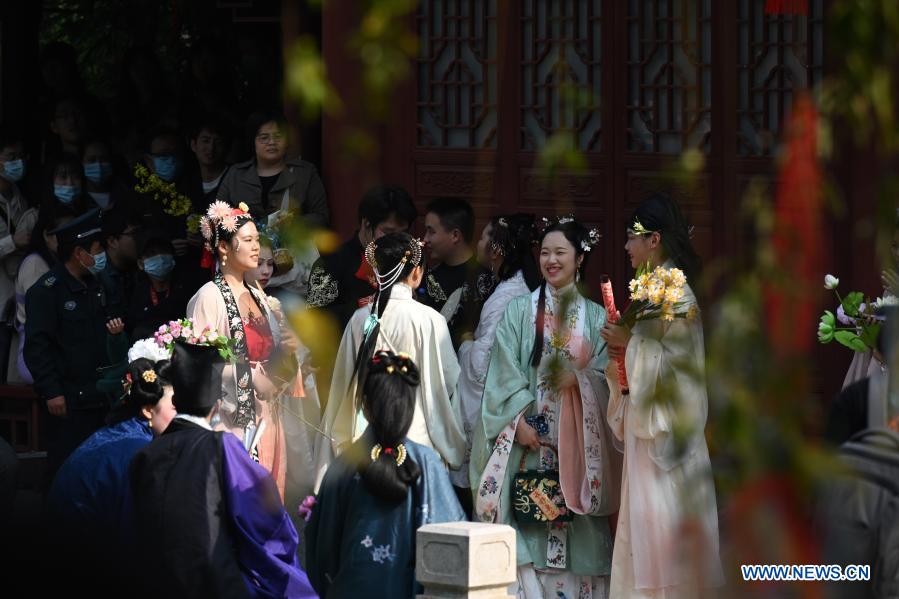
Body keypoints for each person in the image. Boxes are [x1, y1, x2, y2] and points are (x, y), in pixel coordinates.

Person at [469, 217, 618, 598]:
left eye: (561, 253)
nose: (551, 261)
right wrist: (516, 421)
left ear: (579, 258)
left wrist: (583, 380)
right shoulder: (519, 311)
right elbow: (503, 371)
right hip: (528, 446)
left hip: (576, 452)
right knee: (528, 532)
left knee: (576, 530)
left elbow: (610, 378)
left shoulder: (597, 316)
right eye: (545, 253)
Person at [599, 193, 723, 597]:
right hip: (647, 435)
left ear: (653, 240)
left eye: (631, 238)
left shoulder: (676, 295)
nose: (626, 247)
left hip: (667, 443)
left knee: (667, 547)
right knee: (646, 543)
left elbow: (682, 376)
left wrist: (629, 344)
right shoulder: (653, 290)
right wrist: (623, 349)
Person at [130, 341, 317, 599]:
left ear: (174, 399)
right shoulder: (222, 446)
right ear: (217, 406)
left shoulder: (144, 455)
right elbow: (263, 518)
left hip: (157, 581)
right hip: (216, 580)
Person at [313, 232, 466, 490]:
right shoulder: (429, 320)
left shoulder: (360, 319)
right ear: (416, 272)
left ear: (376, 272)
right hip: (418, 437)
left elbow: (343, 383)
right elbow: (449, 382)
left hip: (365, 437)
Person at [306, 350, 465, 598]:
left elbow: (321, 552)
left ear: (364, 405)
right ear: (410, 405)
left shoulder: (343, 466)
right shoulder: (427, 464)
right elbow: (453, 547)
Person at [188, 201, 300, 499]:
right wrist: (251, 378)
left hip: (269, 413)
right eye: (247, 240)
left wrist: (286, 356)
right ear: (223, 247)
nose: (255, 248)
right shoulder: (209, 297)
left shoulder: (258, 295)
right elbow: (197, 364)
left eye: (256, 240)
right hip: (231, 418)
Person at [46, 356, 175, 577]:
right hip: (80, 562)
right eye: (175, 406)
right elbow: (132, 536)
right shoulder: (136, 452)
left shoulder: (125, 432)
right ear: (147, 410)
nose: (183, 414)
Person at [451, 213, 539, 513]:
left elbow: (481, 366)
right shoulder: (521, 289)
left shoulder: (506, 297)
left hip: (501, 404)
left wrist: (465, 343)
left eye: (483, 236)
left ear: (497, 248)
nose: (478, 242)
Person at [24, 208, 118, 484]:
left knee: (99, 470)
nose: (101, 255)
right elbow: (37, 346)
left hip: (100, 395)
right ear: (79, 253)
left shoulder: (100, 285)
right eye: (97, 249)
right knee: (65, 469)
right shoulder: (46, 292)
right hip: (67, 399)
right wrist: (52, 391)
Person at [246, 232, 322, 505]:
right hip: (249, 398)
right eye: (259, 262)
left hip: (276, 399)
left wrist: (299, 364)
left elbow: (293, 355)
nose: (266, 271)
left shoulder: (274, 304)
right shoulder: (231, 302)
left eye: (270, 264)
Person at [306, 184, 418, 331]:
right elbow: (316, 319)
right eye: (388, 232)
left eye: (402, 233)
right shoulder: (332, 262)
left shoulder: (409, 258)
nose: (396, 241)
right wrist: (362, 305)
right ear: (366, 223)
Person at [217, 109, 329, 228]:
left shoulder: (305, 173)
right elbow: (217, 215)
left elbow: (322, 217)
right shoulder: (235, 175)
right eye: (264, 138)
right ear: (253, 142)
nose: (272, 142)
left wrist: (294, 222)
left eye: (278, 136)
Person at [420, 197, 493, 348]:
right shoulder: (425, 277)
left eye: (431, 232)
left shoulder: (486, 281)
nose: (425, 239)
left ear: (455, 235)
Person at [15, 210, 73, 383]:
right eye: (65, 232)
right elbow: (40, 317)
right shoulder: (35, 264)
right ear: (47, 235)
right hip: (38, 352)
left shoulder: (56, 261)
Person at [0, 129, 39, 311]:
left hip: (19, 301)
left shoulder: (23, 197)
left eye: (21, 156)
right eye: (11, 156)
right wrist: (12, 243)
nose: (18, 162)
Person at [127, 237, 193, 340]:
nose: (159, 258)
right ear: (140, 263)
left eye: (164, 251)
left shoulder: (186, 290)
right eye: (151, 253)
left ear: (172, 258)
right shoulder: (135, 295)